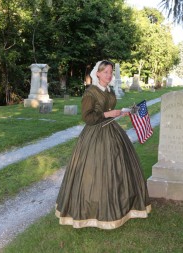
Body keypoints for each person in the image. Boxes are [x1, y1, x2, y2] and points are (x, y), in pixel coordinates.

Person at [55, 60, 151, 229]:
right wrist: (107, 114)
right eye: (105, 72)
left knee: (119, 167)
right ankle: (91, 210)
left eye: (110, 72)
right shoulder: (90, 93)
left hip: (111, 131)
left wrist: (118, 113)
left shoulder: (109, 90)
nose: (109, 75)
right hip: (94, 135)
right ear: (97, 74)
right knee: (94, 170)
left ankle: (123, 207)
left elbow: (108, 112)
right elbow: (88, 117)